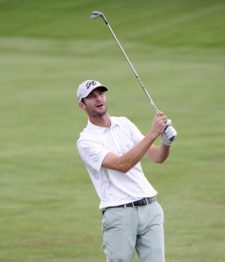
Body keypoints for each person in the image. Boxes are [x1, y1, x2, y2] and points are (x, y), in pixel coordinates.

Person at [76, 79, 177, 262]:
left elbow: (157, 157)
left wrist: (166, 141)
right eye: (91, 97)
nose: (98, 99)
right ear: (82, 105)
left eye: (100, 94)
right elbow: (122, 165)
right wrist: (153, 133)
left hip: (150, 208)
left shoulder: (124, 123)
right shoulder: (86, 141)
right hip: (119, 214)